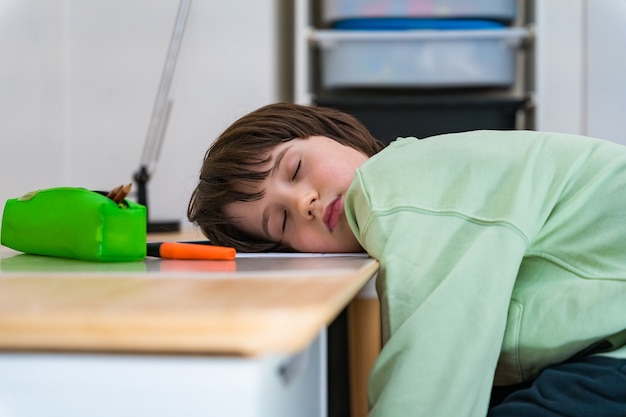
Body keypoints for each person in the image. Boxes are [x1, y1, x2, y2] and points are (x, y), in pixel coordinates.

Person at [188, 102, 626, 416]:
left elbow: (437, 348)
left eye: (295, 169)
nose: (305, 202)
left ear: (335, 135)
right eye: (281, 221)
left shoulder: (394, 185)